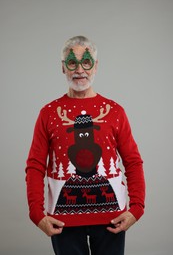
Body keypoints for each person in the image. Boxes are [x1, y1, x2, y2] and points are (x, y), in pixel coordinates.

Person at [25, 35, 145, 255]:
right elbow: (35, 165)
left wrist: (136, 209)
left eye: (86, 62)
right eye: (72, 62)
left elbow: (133, 162)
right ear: (63, 68)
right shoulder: (48, 113)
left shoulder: (115, 112)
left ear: (96, 66)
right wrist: (37, 214)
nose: (79, 69)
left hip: (112, 219)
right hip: (63, 221)